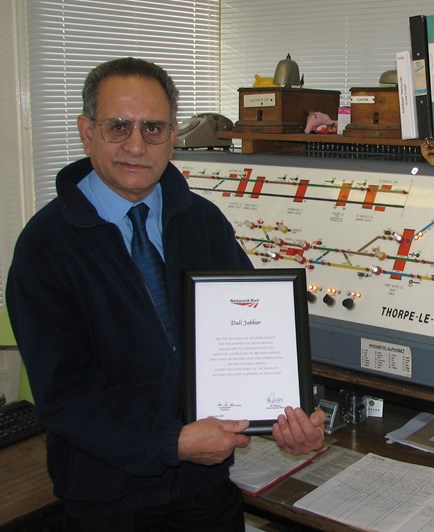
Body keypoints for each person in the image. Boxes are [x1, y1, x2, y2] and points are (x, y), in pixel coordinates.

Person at [6, 57, 325, 531]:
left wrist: (290, 416)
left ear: (173, 134)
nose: (136, 146)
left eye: (152, 128)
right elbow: (66, 395)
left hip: (207, 489)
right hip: (109, 501)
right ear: (86, 131)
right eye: (118, 126)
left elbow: (259, 330)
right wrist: (170, 442)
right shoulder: (46, 247)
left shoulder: (202, 222)